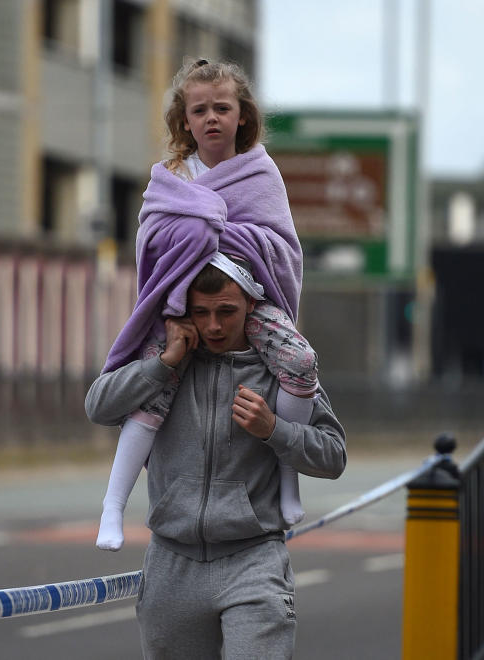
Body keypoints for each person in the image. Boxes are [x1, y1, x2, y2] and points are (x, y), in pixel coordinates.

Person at [96, 57, 320, 551]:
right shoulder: (171, 176)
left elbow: (280, 246)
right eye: (200, 110)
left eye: (223, 107)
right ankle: (113, 506)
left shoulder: (262, 173)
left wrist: (209, 227)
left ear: (243, 115)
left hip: (248, 301)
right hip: (177, 302)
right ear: (185, 120)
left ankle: (288, 478)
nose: (211, 118)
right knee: (156, 388)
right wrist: (201, 229)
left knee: (299, 361)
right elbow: (152, 239)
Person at [86, 259, 347, 658]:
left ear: (251, 307)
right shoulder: (165, 363)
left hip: (254, 561)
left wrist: (274, 429)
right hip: (171, 565)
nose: (213, 326)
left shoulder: (280, 368)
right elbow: (99, 409)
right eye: (201, 312)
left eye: (226, 312)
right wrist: (163, 365)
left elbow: (333, 455)